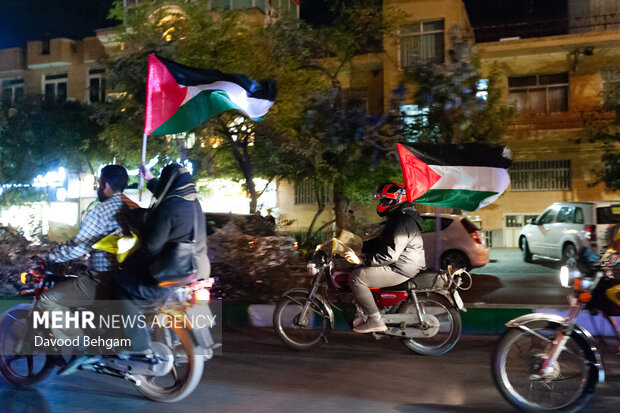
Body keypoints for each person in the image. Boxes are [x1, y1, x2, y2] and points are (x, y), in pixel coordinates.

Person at [39, 165, 139, 374]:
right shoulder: (133, 206)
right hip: (129, 278)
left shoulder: (100, 211)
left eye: (99, 184)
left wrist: (50, 256)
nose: (97, 189)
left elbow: (78, 246)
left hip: (103, 279)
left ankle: (82, 346)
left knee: (48, 300)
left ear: (106, 185)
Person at [114, 163, 210, 353]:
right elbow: (164, 188)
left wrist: (127, 264)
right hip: (197, 271)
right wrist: (149, 179)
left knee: (121, 285)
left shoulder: (169, 207)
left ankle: (137, 343)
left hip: (172, 271)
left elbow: (151, 247)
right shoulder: (194, 204)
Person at [344, 182, 425, 334]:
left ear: (393, 200)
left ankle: (375, 319)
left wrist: (363, 260)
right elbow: (382, 242)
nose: (381, 203)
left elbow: (390, 254)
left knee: (357, 277)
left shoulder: (403, 220)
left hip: (401, 268)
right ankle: (368, 312)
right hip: (405, 264)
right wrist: (360, 246)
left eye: (384, 200)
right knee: (359, 270)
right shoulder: (399, 217)